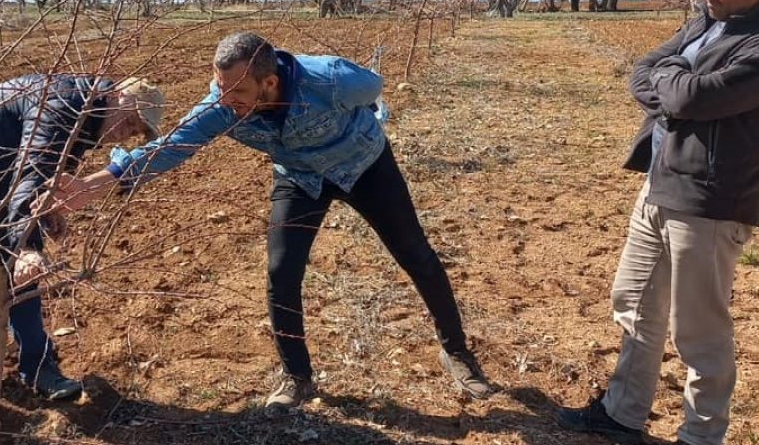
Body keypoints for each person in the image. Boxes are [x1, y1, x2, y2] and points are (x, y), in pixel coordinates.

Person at [44, 32, 493, 411]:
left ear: (271, 82)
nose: (226, 101)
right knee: (281, 272)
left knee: (417, 255)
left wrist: (371, 119)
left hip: (363, 166)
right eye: (220, 88)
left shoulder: (333, 80)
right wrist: (102, 180)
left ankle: (457, 353)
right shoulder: (221, 105)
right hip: (299, 179)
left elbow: (373, 88)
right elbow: (174, 147)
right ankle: (297, 377)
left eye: (236, 93)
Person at [557, 0, 759, 445]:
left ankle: (699, 440)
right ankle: (623, 413)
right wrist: (676, 86)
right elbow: (646, 73)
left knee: (698, 330)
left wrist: (675, 86)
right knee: (634, 305)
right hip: (660, 181)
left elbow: (689, 95)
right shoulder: (711, 20)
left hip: (711, 202)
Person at [0, 74, 163, 401]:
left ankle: (41, 369)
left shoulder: (86, 119)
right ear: (116, 96)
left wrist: (48, 212)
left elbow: (43, 178)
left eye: (134, 132)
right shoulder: (62, 106)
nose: (124, 133)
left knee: (23, 281)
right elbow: (32, 172)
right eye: (128, 121)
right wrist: (28, 246)